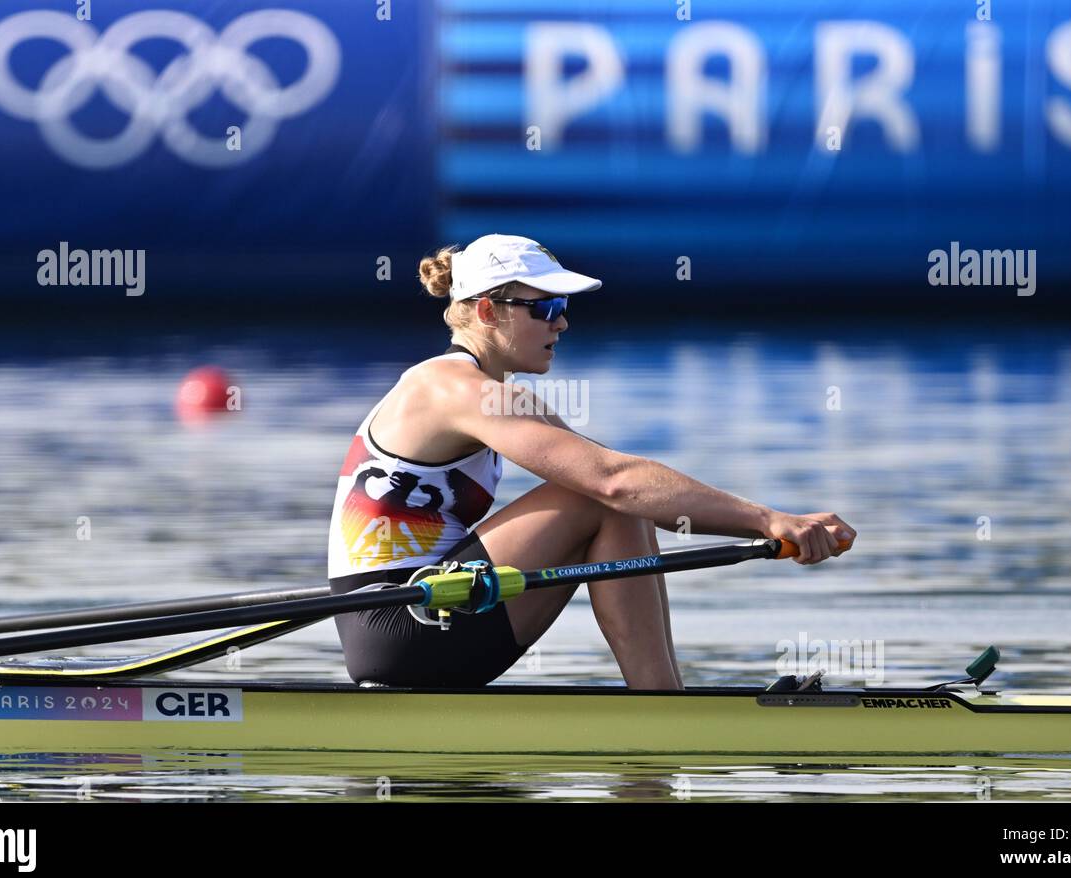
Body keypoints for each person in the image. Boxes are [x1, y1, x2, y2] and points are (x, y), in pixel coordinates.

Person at [326, 233, 855, 690]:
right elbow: (614, 483)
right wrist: (768, 520)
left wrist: (770, 527)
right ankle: (663, 710)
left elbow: (643, 496)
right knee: (598, 497)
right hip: (398, 621)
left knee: (614, 499)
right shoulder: (452, 388)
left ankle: (665, 701)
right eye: (547, 307)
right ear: (488, 311)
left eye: (564, 308)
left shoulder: (496, 395)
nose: (563, 324)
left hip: (436, 612)